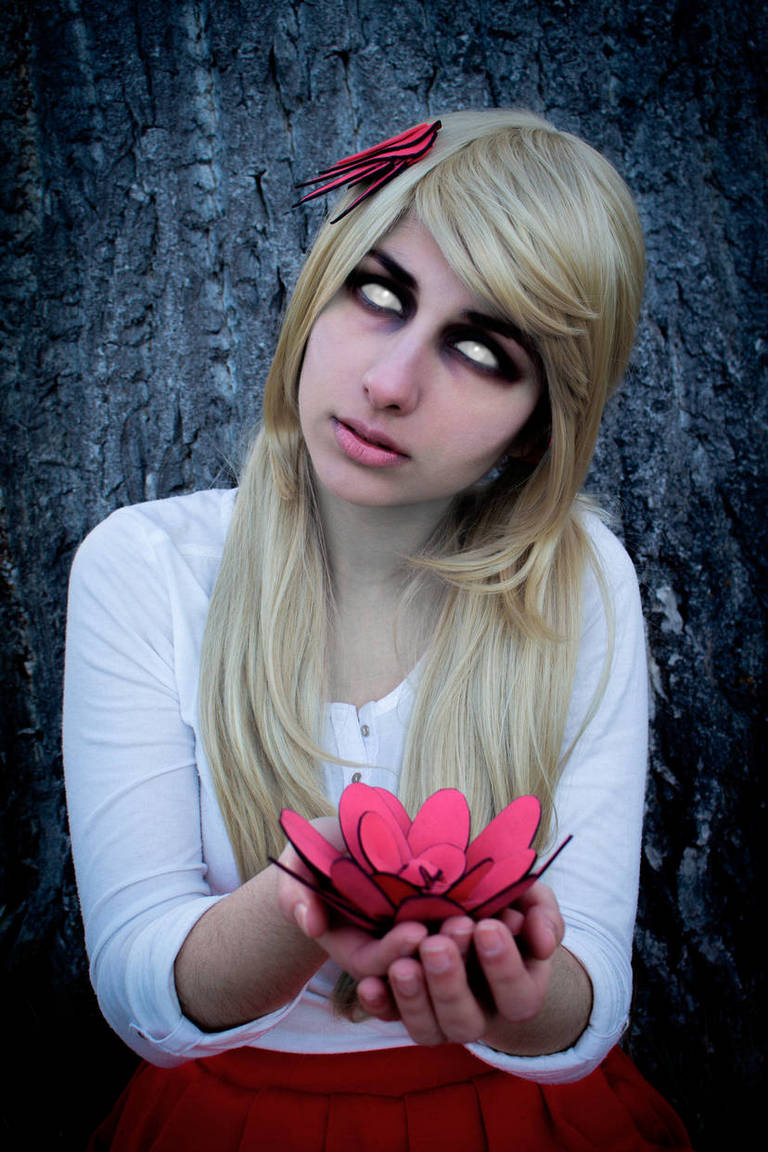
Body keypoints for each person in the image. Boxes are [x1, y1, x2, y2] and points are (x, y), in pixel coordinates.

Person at [63, 109, 693, 1149]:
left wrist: (509, 991)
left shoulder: (578, 584)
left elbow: (592, 1001)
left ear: (540, 427)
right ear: (323, 287)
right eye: (381, 292)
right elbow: (139, 984)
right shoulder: (146, 569)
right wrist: (314, 900)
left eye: (483, 352)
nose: (390, 382)